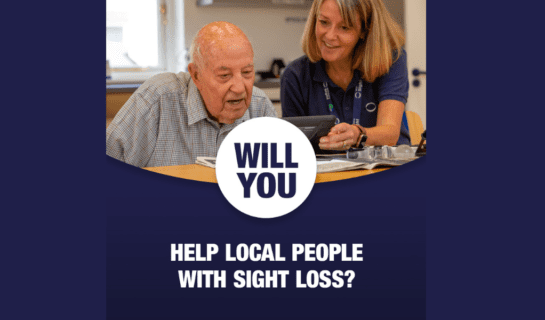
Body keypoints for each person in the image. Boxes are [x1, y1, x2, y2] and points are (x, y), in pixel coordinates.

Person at [107, 21, 277, 167]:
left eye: (247, 72)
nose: (240, 88)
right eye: (224, 76)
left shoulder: (261, 108)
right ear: (196, 75)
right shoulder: (158, 100)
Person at [281, 0, 410, 152]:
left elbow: (390, 134)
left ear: (364, 30)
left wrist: (358, 135)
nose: (330, 36)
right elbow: (292, 147)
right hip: (328, 172)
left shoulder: (391, 60)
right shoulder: (294, 75)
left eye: (344, 27)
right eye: (324, 22)